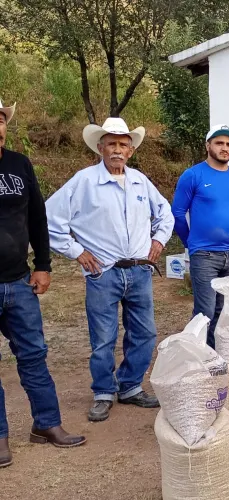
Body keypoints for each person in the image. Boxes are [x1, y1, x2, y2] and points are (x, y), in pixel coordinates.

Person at [46, 117, 174, 422]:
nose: (117, 150)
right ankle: (103, 391)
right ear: (100, 148)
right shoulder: (84, 181)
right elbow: (49, 219)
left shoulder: (140, 181)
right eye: (112, 144)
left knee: (144, 333)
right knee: (103, 338)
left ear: (131, 151)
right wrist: (76, 251)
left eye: (123, 145)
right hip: (103, 272)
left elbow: (165, 214)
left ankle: (129, 386)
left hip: (139, 272)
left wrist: (158, 240)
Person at [0, 97, 85, 468]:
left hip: (20, 282)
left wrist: (44, 265)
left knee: (34, 355)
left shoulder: (19, 164)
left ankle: (46, 424)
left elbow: (37, 217)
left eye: (0, 119)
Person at [172, 125, 229, 347]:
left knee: (224, 309)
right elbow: (177, 213)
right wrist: (191, 242)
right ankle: (198, 355)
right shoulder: (193, 175)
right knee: (205, 310)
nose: (225, 148)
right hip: (204, 254)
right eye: (219, 143)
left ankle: (215, 353)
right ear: (207, 145)